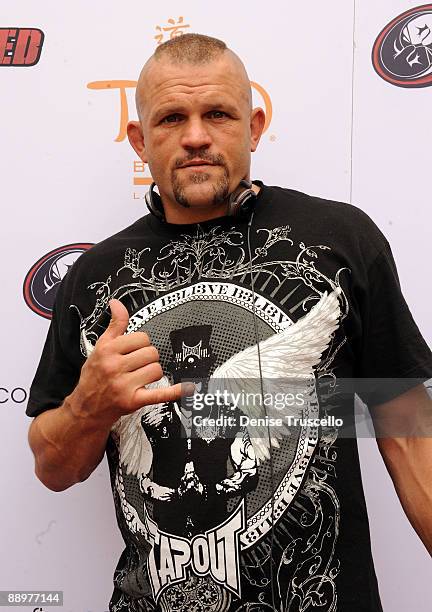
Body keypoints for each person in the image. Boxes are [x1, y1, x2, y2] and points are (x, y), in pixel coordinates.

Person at [26, 33, 432, 612]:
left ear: (254, 126)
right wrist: (89, 406)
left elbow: (409, 425)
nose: (196, 137)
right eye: (171, 118)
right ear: (139, 140)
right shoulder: (94, 277)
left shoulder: (341, 238)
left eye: (217, 113)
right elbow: (51, 467)